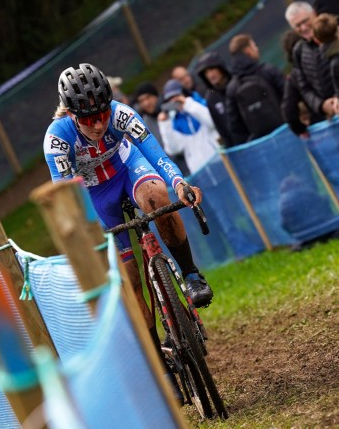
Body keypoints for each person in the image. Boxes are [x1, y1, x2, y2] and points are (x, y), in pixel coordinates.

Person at [43, 64, 214, 323]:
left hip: (128, 169)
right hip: (94, 194)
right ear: (70, 114)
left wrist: (179, 183)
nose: (99, 125)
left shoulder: (121, 114)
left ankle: (191, 275)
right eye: (89, 120)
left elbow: (155, 154)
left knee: (157, 199)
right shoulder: (57, 140)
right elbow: (68, 199)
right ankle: (154, 353)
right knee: (129, 277)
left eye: (102, 114)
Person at [284, 1, 339, 122]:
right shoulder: (298, 51)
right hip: (329, 118)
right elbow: (304, 87)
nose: (303, 27)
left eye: (305, 21)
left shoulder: (337, 34)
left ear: (314, 14)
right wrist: (321, 105)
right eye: (297, 25)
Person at [226, 33, 286, 143]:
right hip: (286, 133)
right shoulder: (268, 71)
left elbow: (235, 125)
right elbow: (288, 97)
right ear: (248, 51)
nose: (257, 49)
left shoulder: (231, 88)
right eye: (254, 46)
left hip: (260, 144)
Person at [157, 79, 220, 174]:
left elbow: (212, 122)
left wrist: (187, 104)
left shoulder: (199, 104)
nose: (174, 101)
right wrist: (164, 124)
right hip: (199, 172)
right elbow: (173, 149)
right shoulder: (175, 120)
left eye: (176, 96)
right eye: (170, 99)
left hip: (219, 162)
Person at [193, 51, 244, 147]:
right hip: (238, 147)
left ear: (220, 68)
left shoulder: (238, 83)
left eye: (212, 69)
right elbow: (221, 130)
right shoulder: (211, 98)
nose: (210, 75)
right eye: (206, 72)